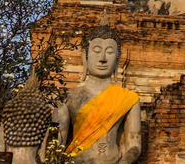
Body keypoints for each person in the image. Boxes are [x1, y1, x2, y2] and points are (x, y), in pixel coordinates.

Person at [58, 10, 141, 163]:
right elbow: (58, 144)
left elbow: (134, 144)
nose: (102, 58)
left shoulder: (128, 98)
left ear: (117, 60)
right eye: (96, 51)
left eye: (109, 52)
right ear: (85, 56)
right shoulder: (68, 97)